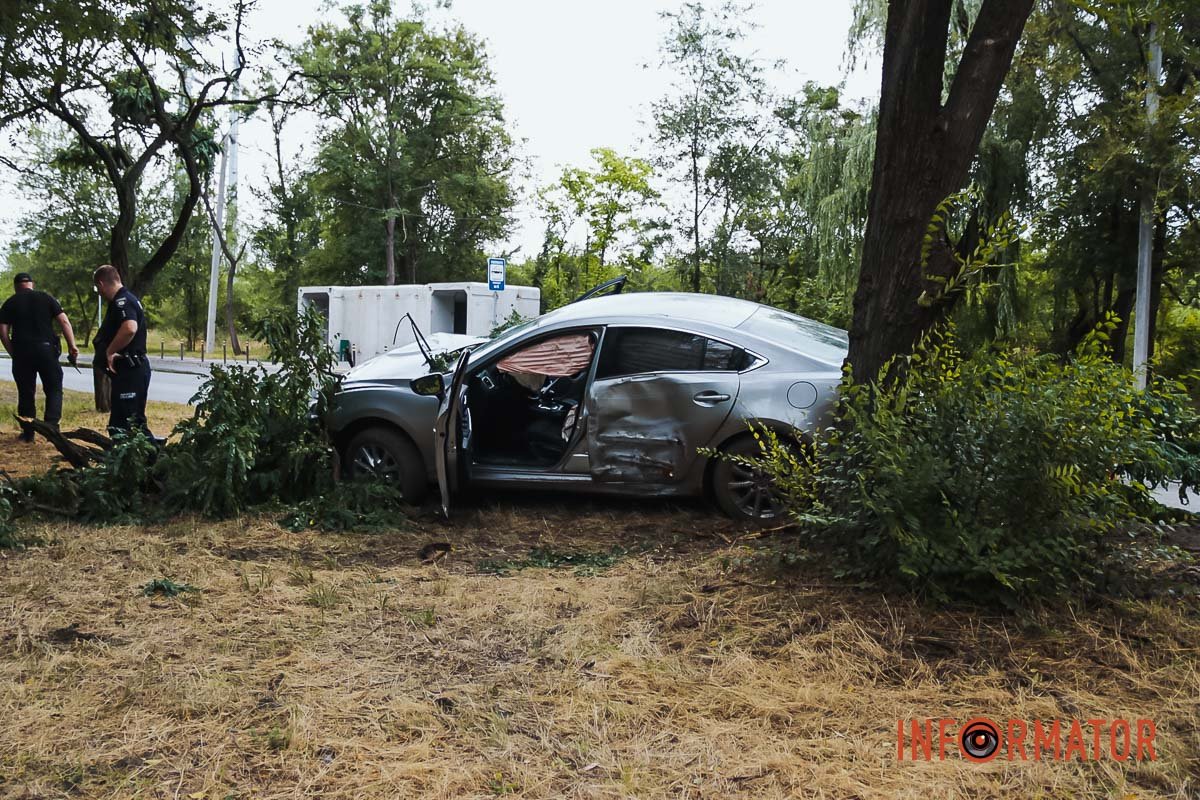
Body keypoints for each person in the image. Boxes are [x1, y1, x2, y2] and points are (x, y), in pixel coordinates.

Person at [0, 272, 78, 442]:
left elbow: (3, 332)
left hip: (22, 352)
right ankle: (51, 428)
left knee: (26, 392)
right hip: (46, 351)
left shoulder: (10, 303)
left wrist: (13, 352)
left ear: (15, 287)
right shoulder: (46, 298)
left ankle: (28, 433)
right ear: (32, 284)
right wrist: (72, 346)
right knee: (54, 388)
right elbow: (64, 321)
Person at [92, 265, 154, 436]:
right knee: (119, 424)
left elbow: (130, 328)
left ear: (102, 283)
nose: (99, 293)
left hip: (132, 370)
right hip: (127, 371)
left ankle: (153, 459)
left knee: (130, 423)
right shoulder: (123, 300)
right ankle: (122, 461)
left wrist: (110, 351)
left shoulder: (123, 301)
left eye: (98, 289)